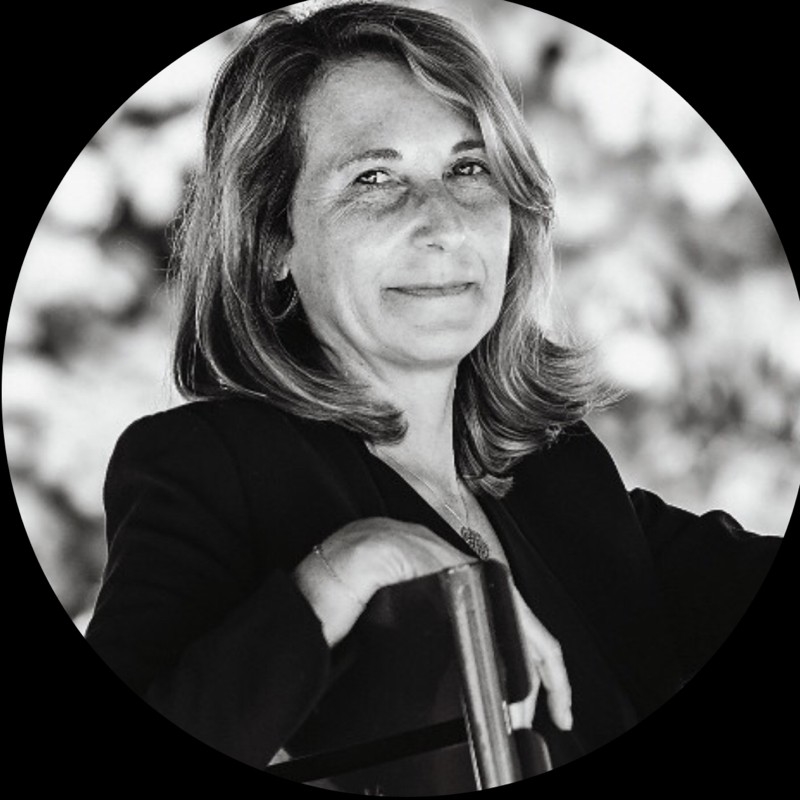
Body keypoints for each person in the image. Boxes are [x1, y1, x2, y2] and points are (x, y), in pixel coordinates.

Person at [84, 0, 779, 783]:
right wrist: (347, 569)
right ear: (272, 238)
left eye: (468, 168)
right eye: (374, 178)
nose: (443, 223)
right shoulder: (212, 472)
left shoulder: (557, 473)